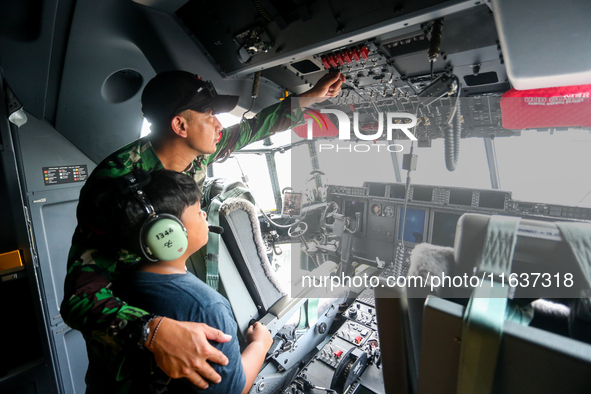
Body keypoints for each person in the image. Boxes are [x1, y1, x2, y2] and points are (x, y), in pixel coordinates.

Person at [61, 70, 344, 390]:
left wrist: (312, 96)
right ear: (180, 125)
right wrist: (150, 331)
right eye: (209, 115)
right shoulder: (118, 182)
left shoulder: (194, 151)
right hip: (127, 339)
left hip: (171, 294)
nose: (219, 125)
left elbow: (251, 129)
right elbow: (78, 299)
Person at [86, 169, 273, 393]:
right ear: (166, 234)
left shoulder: (114, 283)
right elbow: (234, 390)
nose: (204, 215)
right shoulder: (207, 308)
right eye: (196, 211)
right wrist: (259, 345)